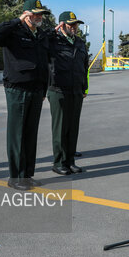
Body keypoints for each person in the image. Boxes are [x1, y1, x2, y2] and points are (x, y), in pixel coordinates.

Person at [0, 0, 50, 190]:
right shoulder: (13, 32)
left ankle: (27, 175)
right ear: (26, 14)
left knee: (30, 134)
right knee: (17, 134)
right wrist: (17, 20)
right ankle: (15, 177)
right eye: (35, 13)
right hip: (18, 89)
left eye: (40, 14)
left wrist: (43, 89)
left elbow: (44, 63)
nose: (38, 17)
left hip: (36, 89)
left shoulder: (39, 34)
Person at [47, 11, 89, 175]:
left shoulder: (79, 42)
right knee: (60, 128)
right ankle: (58, 162)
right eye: (71, 24)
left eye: (76, 24)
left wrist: (84, 87)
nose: (74, 27)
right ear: (62, 25)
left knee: (73, 127)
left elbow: (84, 66)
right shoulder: (52, 41)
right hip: (58, 90)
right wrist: (52, 31)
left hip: (76, 90)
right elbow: (40, 40)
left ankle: (70, 161)